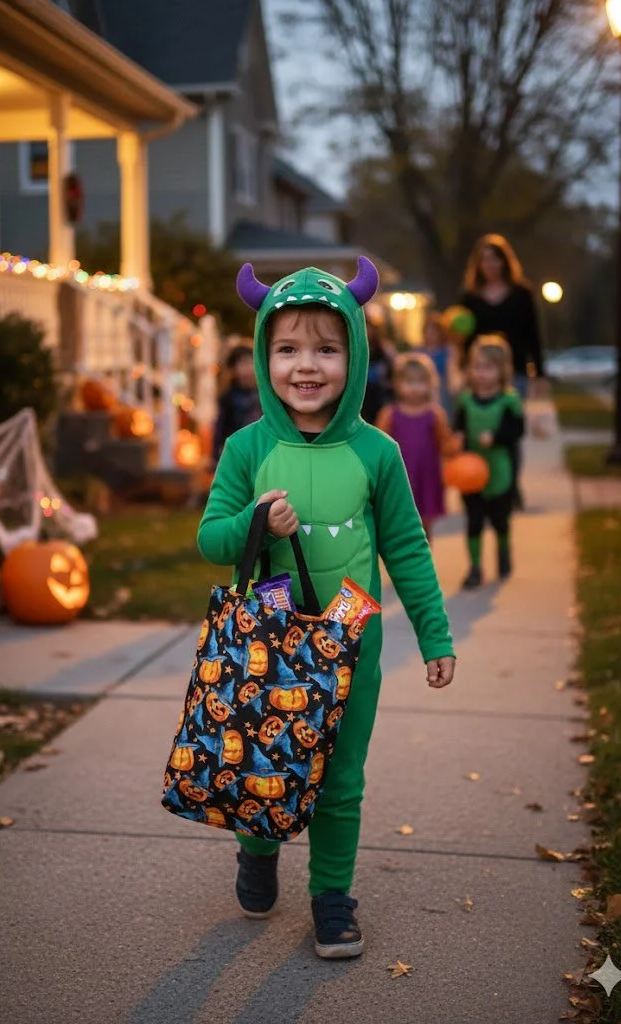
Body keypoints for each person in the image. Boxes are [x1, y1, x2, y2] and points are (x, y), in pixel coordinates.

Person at [198, 259, 455, 959]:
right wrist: (253, 520)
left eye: (325, 349)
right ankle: (258, 849)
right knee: (264, 760)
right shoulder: (246, 448)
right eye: (286, 349)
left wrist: (434, 636)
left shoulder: (378, 452)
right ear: (262, 356)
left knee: (340, 776)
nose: (304, 366)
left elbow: (406, 547)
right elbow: (209, 538)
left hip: (352, 644)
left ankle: (331, 895)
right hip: (268, 646)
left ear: (355, 355)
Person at [452, 335, 525, 590]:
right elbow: (459, 424)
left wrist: (495, 437)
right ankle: (474, 568)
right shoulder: (466, 399)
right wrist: (458, 436)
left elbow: (517, 430)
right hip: (470, 472)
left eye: (488, 367)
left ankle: (503, 552)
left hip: (499, 471)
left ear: (502, 370)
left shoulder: (509, 400)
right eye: (477, 366)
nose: (481, 373)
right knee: (473, 520)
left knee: (499, 520)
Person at [375, 353, 458, 544]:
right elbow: (378, 446)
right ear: (397, 384)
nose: (414, 387)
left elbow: (445, 443)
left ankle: (425, 562)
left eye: (420, 381)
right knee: (399, 523)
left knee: (425, 524)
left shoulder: (434, 414)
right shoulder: (390, 414)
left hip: (427, 477)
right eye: (408, 381)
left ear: (430, 384)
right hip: (400, 477)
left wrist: (455, 446)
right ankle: (402, 563)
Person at [459, 234, 544, 395]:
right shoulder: (470, 297)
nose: (489, 265)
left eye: (494, 259)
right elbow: (464, 336)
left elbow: (532, 334)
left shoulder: (522, 294)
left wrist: (539, 373)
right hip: (480, 372)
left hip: (515, 371)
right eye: (484, 260)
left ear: (505, 262)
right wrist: (464, 366)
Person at [212, 340, 262, 465]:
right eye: (243, 364)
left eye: (251, 363)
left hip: (261, 452)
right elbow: (220, 428)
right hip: (238, 454)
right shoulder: (228, 397)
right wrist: (215, 455)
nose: (248, 369)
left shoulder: (264, 395)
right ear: (234, 369)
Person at [418, 311, 461, 417]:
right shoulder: (418, 350)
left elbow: (453, 372)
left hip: (443, 389)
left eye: (434, 330)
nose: (431, 333)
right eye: (428, 329)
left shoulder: (449, 350)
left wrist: (455, 387)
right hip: (422, 389)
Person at [361, 320, 395, 423]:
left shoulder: (384, 348)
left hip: (379, 393)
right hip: (362, 392)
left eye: (369, 328)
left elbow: (393, 367)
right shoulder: (357, 347)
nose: (367, 331)